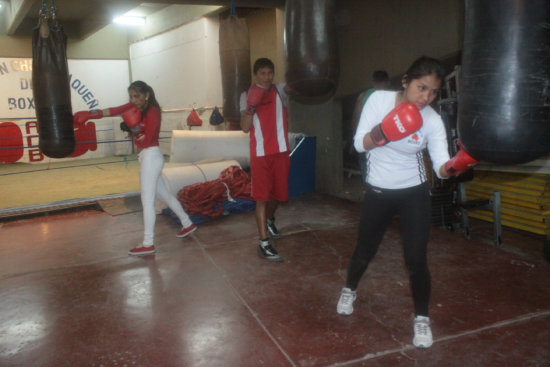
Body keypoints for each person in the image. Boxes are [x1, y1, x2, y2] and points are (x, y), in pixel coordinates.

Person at [336, 56, 478, 348]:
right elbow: (357, 143)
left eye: (433, 92)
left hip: (413, 192)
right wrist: (384, 132)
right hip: (378, 190)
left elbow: (440, 166)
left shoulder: (432, 121)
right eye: (421, 88)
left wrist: (456, 165)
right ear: (405, 82)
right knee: (365, 249)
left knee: (416, 259)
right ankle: (350, 288)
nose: (426, 97)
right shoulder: (378, 101)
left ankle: (422, 319)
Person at [73, 81, 197, 256]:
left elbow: (148, 140)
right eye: (131, 96)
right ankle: (187, 223)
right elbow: (114, 110)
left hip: (151, 156)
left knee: (147, 201)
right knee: (164, 195)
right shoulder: (134, 105)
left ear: (146, 94)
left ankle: (148, 243)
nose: (133, 100)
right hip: (147, 157)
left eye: (137, 96)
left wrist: (134, 128)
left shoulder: (153, 111)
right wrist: (92, 114)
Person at [240, 58, 290, 262]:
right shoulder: (246, 95)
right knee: (261, 197)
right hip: (260, 153)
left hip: (281, 151)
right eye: (262, 73)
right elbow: (244, 127)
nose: (267, 77)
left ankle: (270, 219)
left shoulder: (280, 90)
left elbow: (298, 86)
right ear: (255, 75)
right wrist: (251, 107)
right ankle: (264, 243)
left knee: (279, 195)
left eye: (270, 73)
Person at [351, 70, 390, 185]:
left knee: (367, 168)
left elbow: (356, 118)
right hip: (387, 140)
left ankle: (369, 190)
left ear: (373, 82)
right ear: (388, 82)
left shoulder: (363, 96)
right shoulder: (393, 96)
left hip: (367, 139)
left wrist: (355, 137)